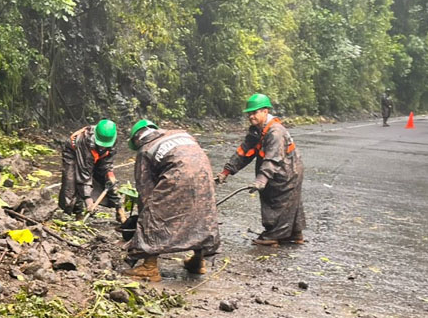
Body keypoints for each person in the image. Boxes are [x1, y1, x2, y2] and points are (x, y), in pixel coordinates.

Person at [122, 120, 221, 282]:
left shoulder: (145, 150)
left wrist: (142, 221)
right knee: (200, 214)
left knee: (153, 214)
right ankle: (198, 261)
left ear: (136, 140)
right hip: (205, 177)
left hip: (177, 179)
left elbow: (145, 193)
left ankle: (149, 267)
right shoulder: (180, 133)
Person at [215, 93, 305, 247]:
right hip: (279, 168)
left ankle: (273, 235)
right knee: (289, 202)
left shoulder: (275, 132)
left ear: (265, 111)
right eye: (249, 113)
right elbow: (244, 151)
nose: (251, 116)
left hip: (287, 170)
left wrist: (261, 180)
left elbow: (272, 159)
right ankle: (295, 234)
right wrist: (226, 172)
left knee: (278, 201)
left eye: (254, 112)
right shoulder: (257, 130)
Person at [58, 119, 126, 223]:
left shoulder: (112, 139)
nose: (103, 146)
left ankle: (119, 209)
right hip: (73, 153)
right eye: (101, 144)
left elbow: (107, 165)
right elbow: (84, 175)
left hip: (98, 155)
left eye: (106, 145)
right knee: (72, 182)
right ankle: (78, 213)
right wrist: (88, 201)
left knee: (109, 180)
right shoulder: (84, 141)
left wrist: (110, 179)